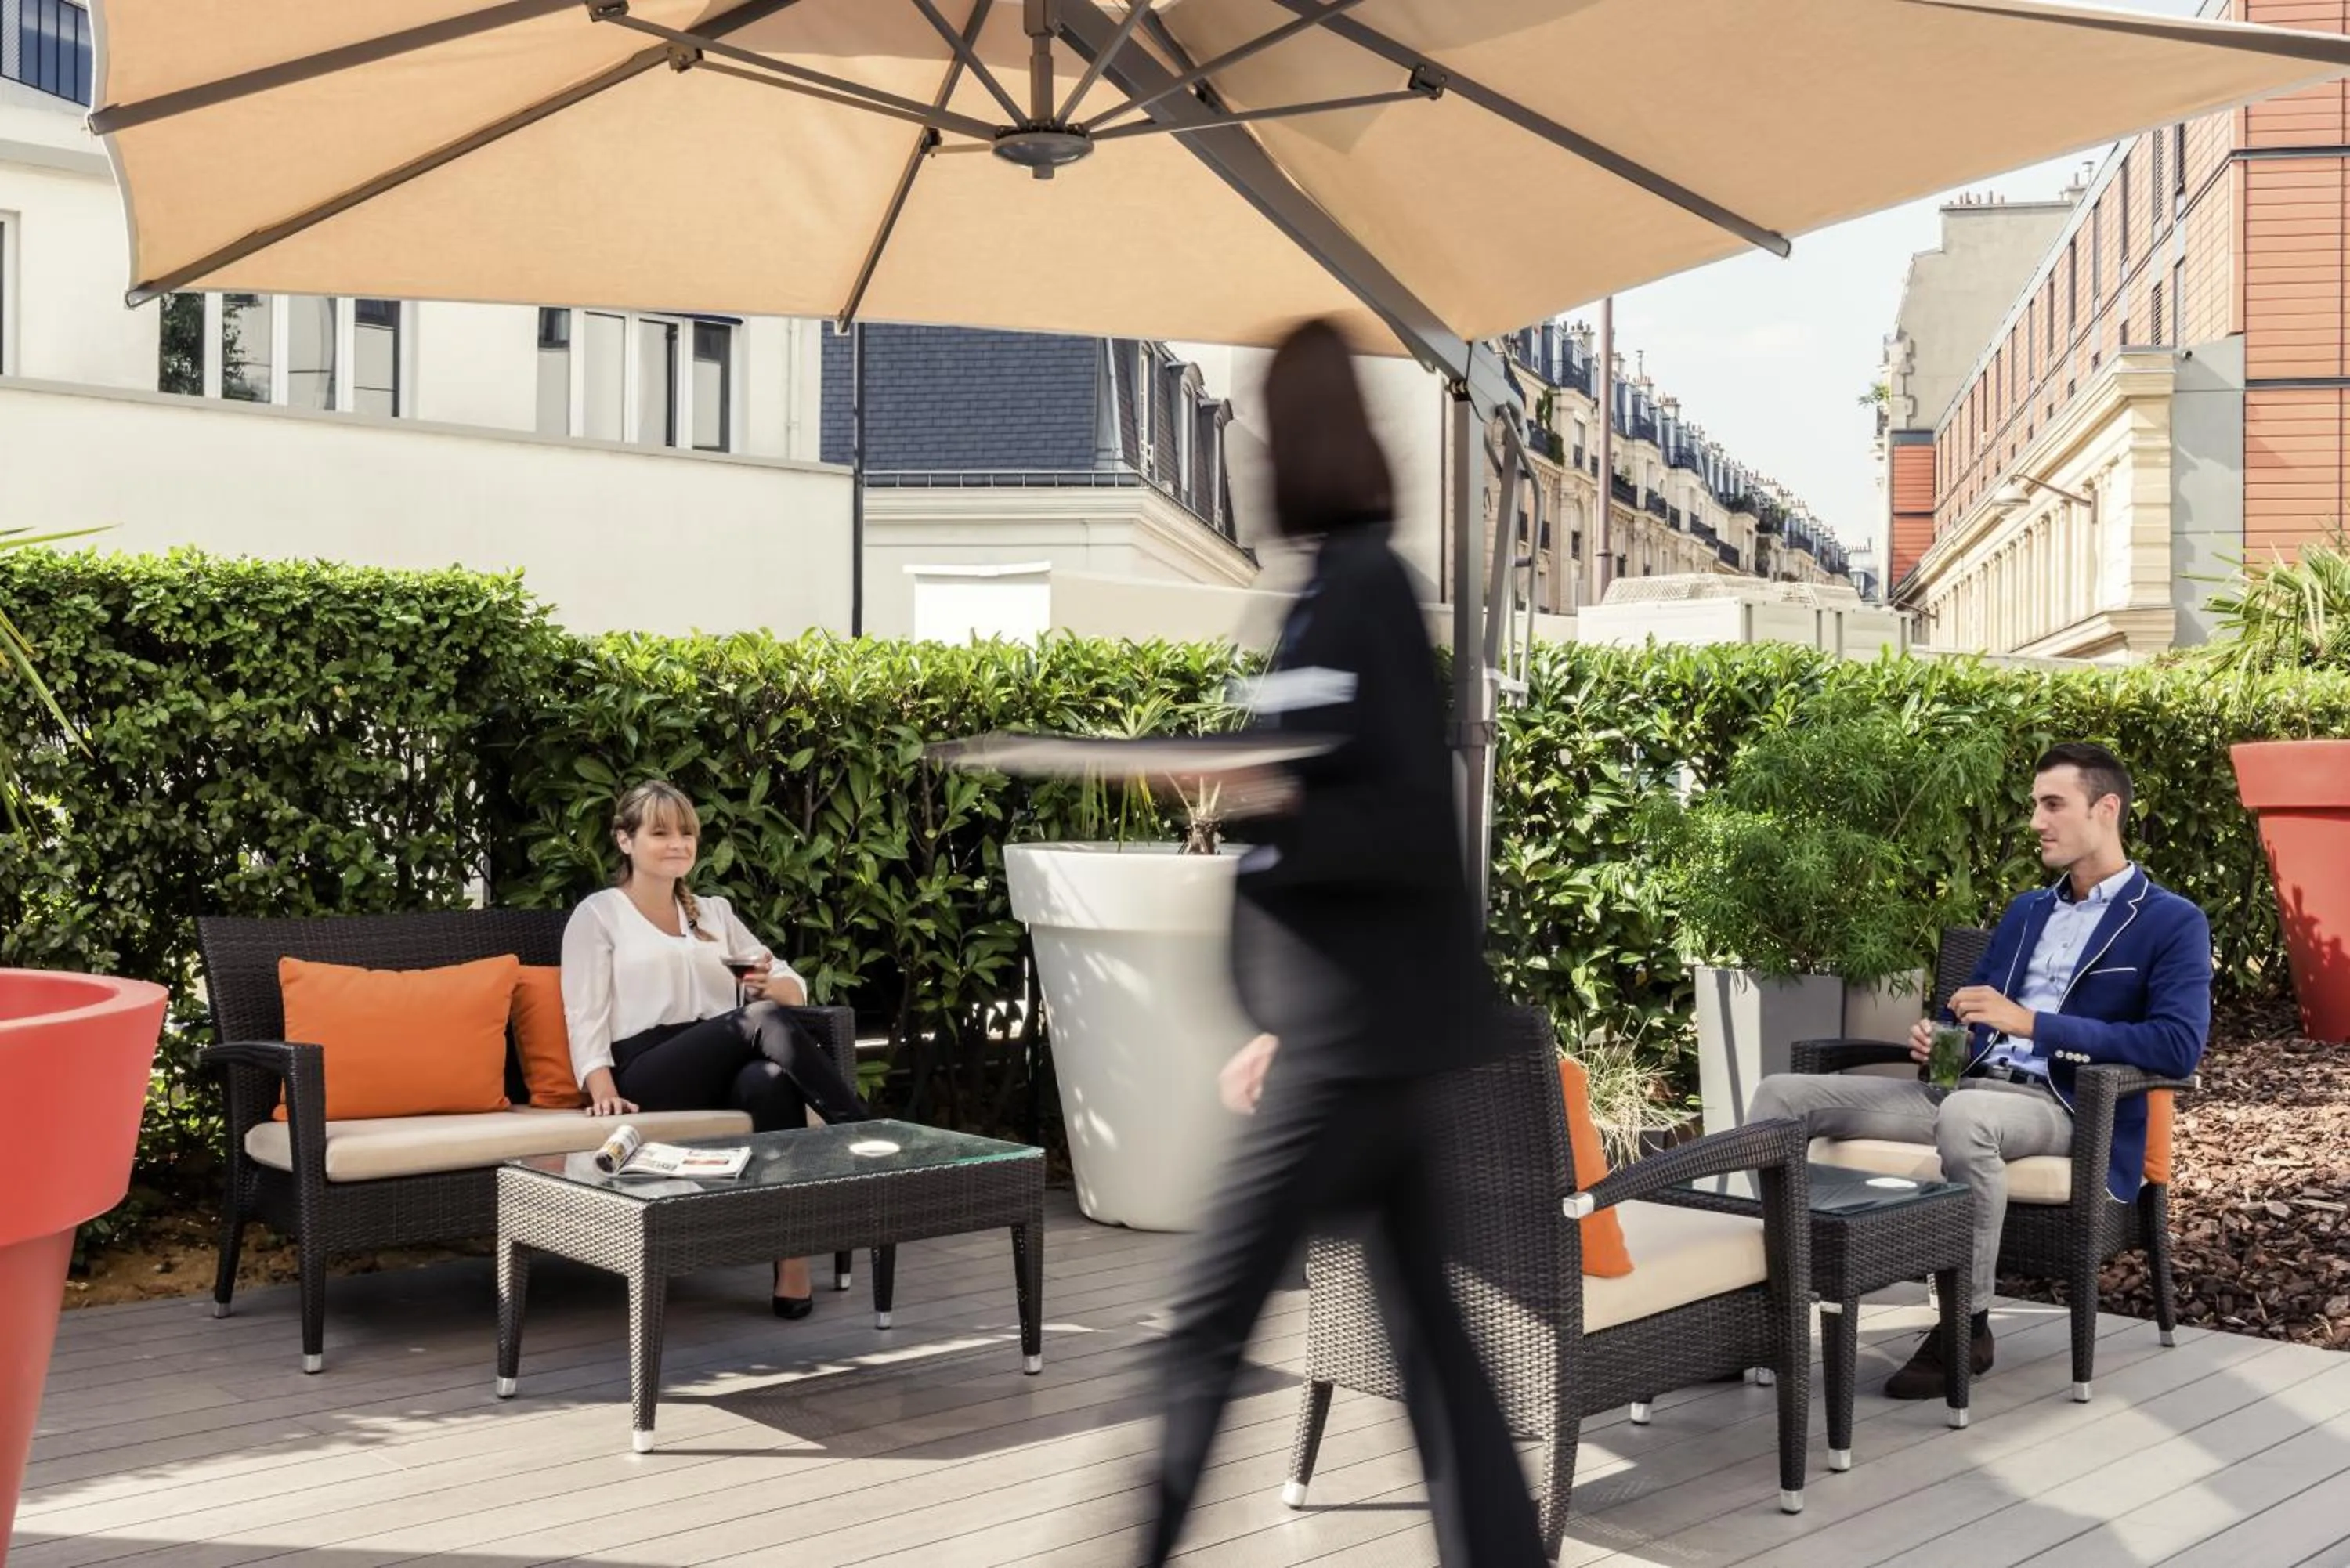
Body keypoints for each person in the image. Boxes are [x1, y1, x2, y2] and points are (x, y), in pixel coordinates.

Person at [1143, 320, 1546, 1568]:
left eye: (1267, 428)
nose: (1251, 453)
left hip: (1350, 1051)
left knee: (1204, 1329)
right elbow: (1352, 797)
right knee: (1435, 1347)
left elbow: (1407, 823)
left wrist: (1264, 791)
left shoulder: (1361, 590)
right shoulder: (1332, 592)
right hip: (1346, 1036)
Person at [1748, 742, 2212, 1399]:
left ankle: (1966, 1327)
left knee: (1968, 1115)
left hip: (2068, 1106)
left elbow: (2177, 1047)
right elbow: (1968, 1016)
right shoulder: (2028, 911)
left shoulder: (2171, 921)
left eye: (2053, 805)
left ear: (2106, 809)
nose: (2036, 821)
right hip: (1968, 1091)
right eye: (2035, 805)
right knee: (1780, 1096)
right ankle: (1778, 1302)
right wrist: (1940, 1041)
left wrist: (2033, 1024)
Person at [561, 779, 867, 1317]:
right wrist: (600, 1086)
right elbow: (583, 1009)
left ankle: (792, 1258)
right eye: (660, 833)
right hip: (648, 1067)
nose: (678, 844)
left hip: (722, 1054)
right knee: (759, 1021)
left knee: (769, 1082)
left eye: (686, 834)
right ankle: (863, 1131)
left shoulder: (712, 913)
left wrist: (770, 987)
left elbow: (789, 983)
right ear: (625, 840)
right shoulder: (600, 914)